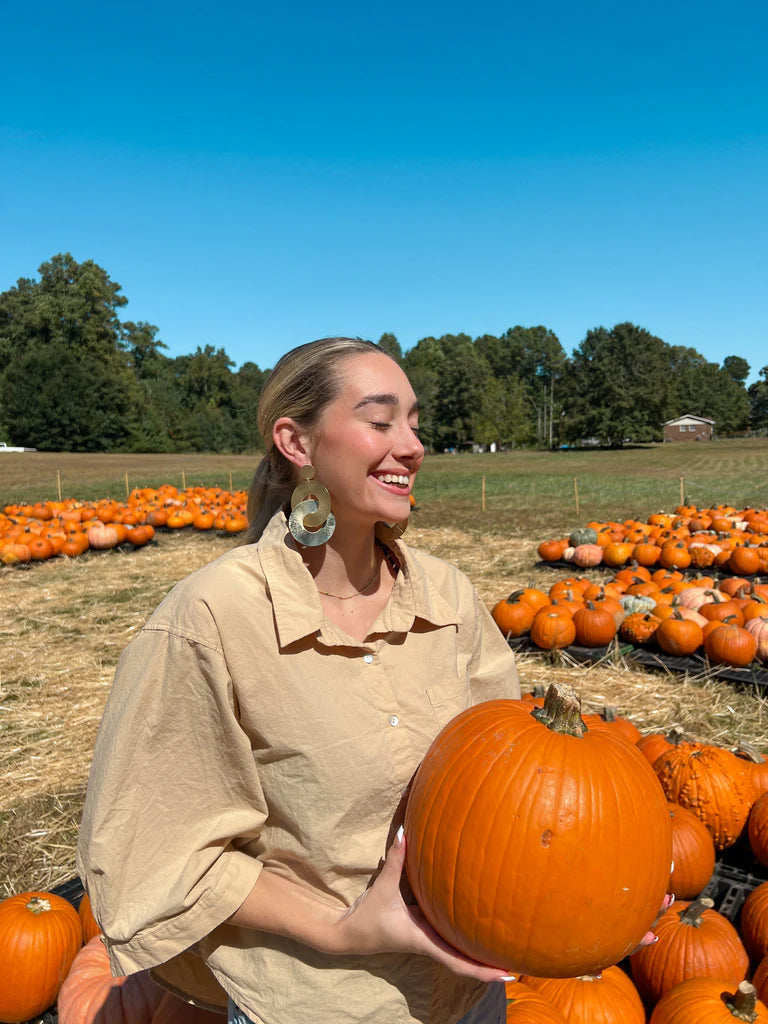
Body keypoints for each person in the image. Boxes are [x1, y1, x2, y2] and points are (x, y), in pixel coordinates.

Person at [76, 336, 638, 1024]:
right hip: (318, 1002)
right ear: (296, 442)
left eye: (415, 422)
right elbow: (166, 851)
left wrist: (598, 893)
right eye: (381, 421)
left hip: (468, 997)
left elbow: (516, 797)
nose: (412, 445)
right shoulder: (211, 620)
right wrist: (342, 929)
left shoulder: (449, 597)